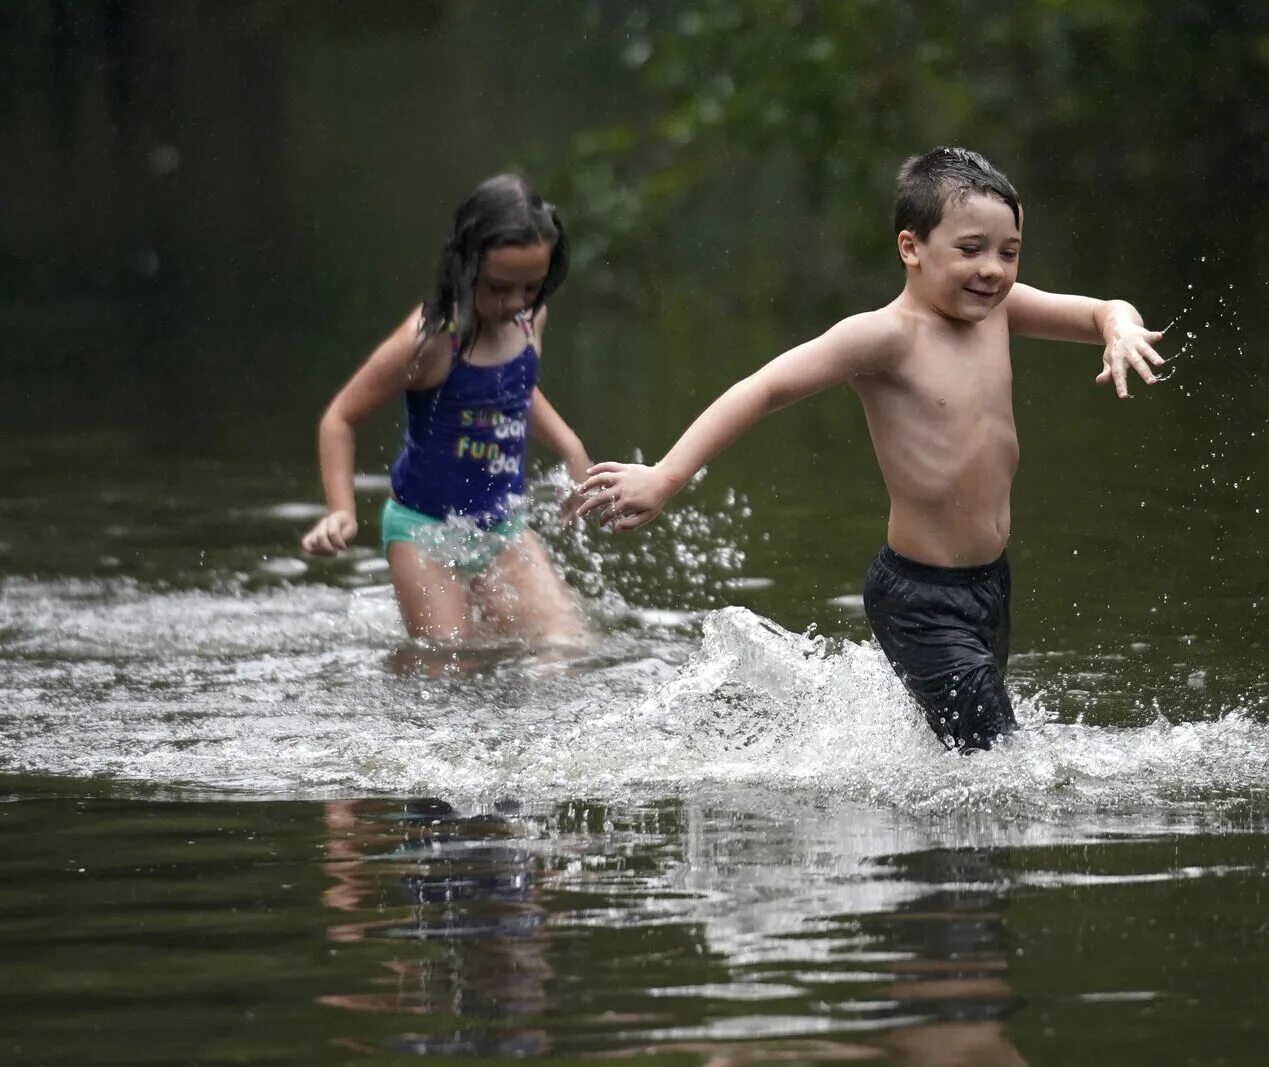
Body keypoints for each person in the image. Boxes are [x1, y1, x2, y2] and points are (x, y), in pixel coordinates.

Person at [579, 147, 1164, 752]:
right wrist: (667, 476)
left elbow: (1101, 309)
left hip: (990, 585)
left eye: (1008, 253)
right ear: (911, 247)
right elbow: (765, 387)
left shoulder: (1000, 312)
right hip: (919, 597)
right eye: (970, 250)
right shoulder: (885, 336)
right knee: (999, 757)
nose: (992, 270)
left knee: (967, 760)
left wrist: (1119, 329)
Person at [301, 173, 589, 652]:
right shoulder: (431, 339)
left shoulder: (528, 317)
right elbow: (340, 418)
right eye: (499, 287)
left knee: (566, 645)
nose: (516, 302)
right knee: (448, 662)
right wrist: (341, 511)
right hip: (425, 532)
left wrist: (569, 445)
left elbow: (512, 389)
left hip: (501, 527)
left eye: (532, 287)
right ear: (465, 264)